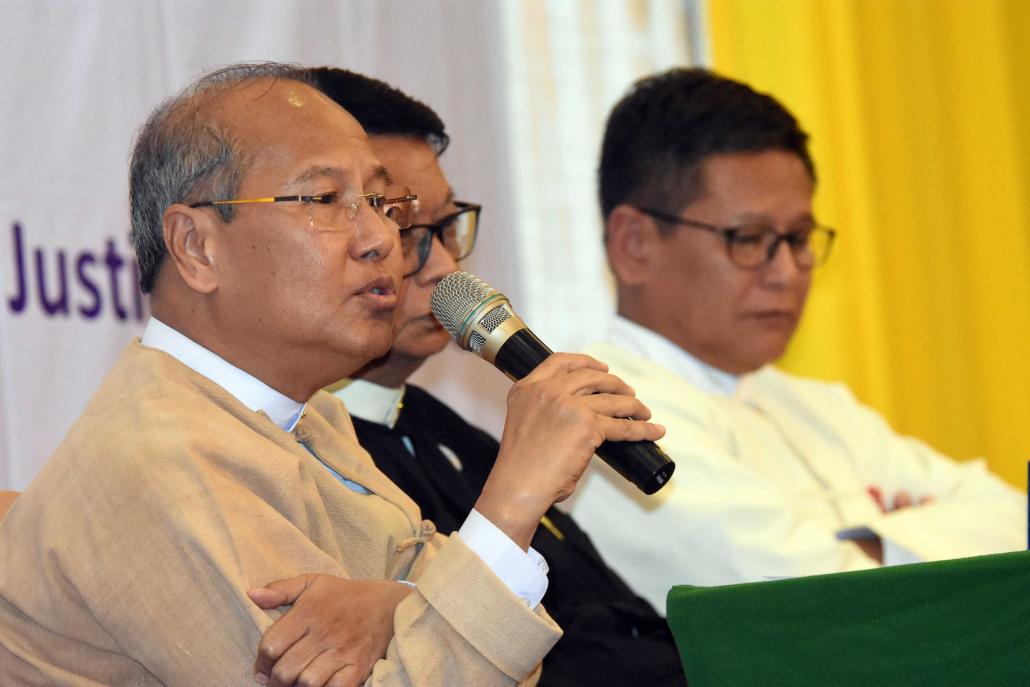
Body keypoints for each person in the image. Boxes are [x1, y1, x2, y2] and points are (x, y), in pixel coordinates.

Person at [0, 63, 664, 686]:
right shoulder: (159, 461)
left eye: (380, 202)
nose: (381, 238)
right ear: (196, 247)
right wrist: (513, 499)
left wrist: (394, 601)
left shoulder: (308, 417)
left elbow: (464, 620)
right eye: (325, 197)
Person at [567, 67, 1026, 611]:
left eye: (799, 238)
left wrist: (876, 545)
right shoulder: (600, 419)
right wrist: (896, 532)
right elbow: (824, 608)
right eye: (750, 238)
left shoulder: (817, 406)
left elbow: (1014, 519)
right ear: (635, 243)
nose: (786, 271)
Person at [302, 66, 687, 686]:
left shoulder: (451, 433)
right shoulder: (308, 458)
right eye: (403, 229)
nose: (445, 267)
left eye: (449, 228)